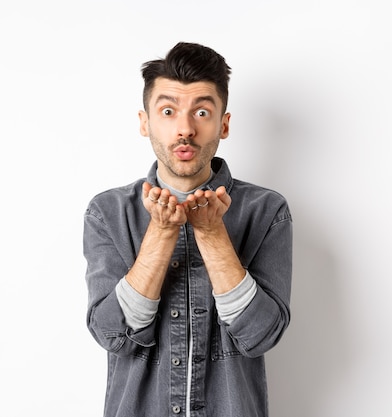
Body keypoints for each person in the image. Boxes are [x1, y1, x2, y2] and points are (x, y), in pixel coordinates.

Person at [83, 41, 293, 417]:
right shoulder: (108, 212)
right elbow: (111, 334)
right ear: (145, 121)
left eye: (201, 111)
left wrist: (213, 235)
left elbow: (261, 334)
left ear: (223, 124)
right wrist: (161, 234)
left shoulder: (267, 211)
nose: (185, 129)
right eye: (168, 111)